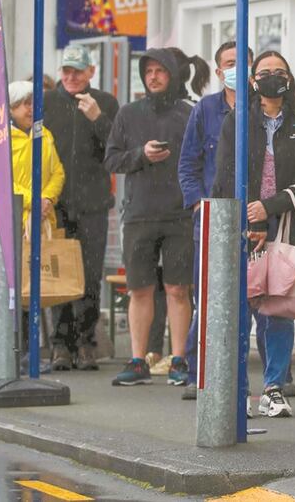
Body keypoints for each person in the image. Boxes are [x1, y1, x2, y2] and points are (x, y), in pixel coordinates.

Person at [212, 50, 295, 418]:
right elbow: (226, 175)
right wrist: (249, 220)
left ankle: (273, 388)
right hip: (242, 228)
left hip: (282, 228)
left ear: (289, 80)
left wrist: (268, 210)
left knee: (276, 310)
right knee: (239, 310)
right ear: (253, 81)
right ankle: (238, 390)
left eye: (280, 71)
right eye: (265, 71)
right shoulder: (237, 121)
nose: (273, 76)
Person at [105, 47, 209, 387]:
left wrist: (196, 200)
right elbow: (112, 160)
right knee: (140, 289)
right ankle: (138, 360)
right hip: (139, 214)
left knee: (179, 289)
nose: (153, 76)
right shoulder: (128, 113)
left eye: (160, 70)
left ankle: (179, 359)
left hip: (180, 214)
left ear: (173, 74)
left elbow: (203, 160)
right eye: (147, 70)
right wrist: (141, 154)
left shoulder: (189, 113)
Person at [43, 45, 120, 371]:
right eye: (66, 71)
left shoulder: (105, 103)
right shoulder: (46, 102)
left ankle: (87, 341)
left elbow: (116, 149)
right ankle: (61, 345)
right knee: (58, 274)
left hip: (92, 203)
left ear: (91, 72)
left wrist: (98, 119)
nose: (71, 77)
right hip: (56, 203)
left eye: (78, 71)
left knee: (89, 275)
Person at [177, 41, 240, 401]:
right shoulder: (205, 110)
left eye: (241, 62)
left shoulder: (260, 108)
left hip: (251, 215)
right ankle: (194, 370)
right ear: (218, 72)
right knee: (209, 296)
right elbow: (188, 162)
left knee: (260, 297)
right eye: (229, 63)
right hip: (213, 217)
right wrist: (198, 204)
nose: (235, 69)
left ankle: (272, 378)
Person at [0, 81, 65, 277]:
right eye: (26, 103)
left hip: (41, 219)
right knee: (10, 283)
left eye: (36, 103)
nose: (33, 109)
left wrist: (47, 199)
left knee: (41, 281)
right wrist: (33, 201)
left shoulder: (44, 135)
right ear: (10, 107)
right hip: (9, 221)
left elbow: (57, 171)